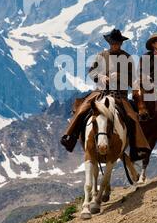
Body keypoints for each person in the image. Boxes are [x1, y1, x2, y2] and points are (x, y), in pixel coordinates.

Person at [60, 29, 151, 161]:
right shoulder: (101, 55)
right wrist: (100, 76)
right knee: (82, 109)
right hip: (101, 91)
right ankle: (69, 137)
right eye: (114, 43)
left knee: (132, 117)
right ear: (110, 43)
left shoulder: (127, 58)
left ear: (121, 43)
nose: (116, 45)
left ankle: (138, 149)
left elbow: (133, 79)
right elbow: (91, 72)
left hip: (120, 95)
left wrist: (119, 76)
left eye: (118, 43)